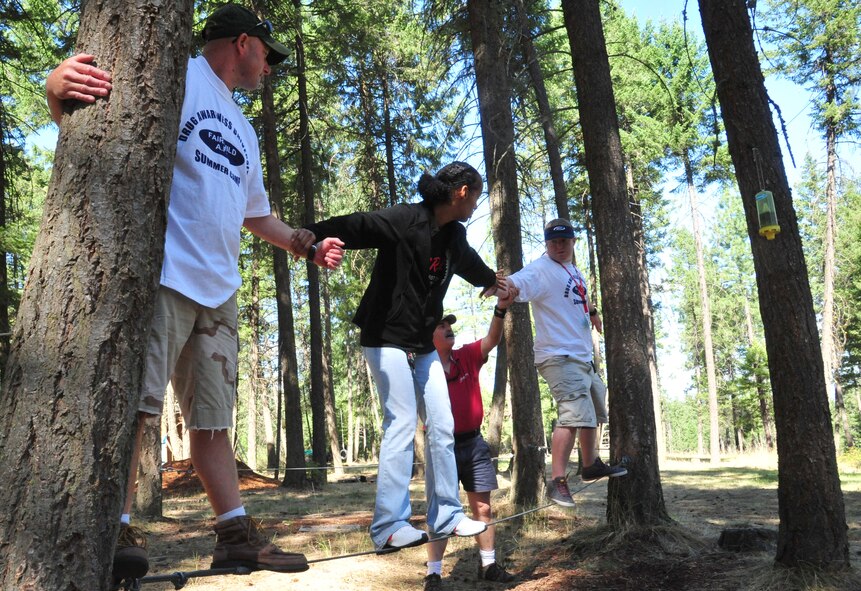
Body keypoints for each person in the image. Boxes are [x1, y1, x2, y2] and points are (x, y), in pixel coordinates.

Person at [45, 3, 344, 581]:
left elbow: (257, 215)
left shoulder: (245, 128)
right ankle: (120, 524)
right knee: (136, 408)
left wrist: (305, 246)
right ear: (242, 43)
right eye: (267, 55)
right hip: (163, 274)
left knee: (211, 422)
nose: (270, 68)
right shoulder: (174, 75)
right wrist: (57, 90)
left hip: (218, 290)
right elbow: (96, 117)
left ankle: (234, 534)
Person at [304, 162, 506, 551]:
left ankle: (446, 514)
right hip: (384, 336)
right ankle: (388, 526)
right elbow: (359, 224)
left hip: (422, 342)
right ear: (461, 192)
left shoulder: (454, 235)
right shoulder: (406, 218)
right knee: (400, 419)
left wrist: (491, 282)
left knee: (443, 425)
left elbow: (469, 265)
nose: (476, 205)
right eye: (476, 196)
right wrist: (311, 233)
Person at [506, 218, 626, 508]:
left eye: (565, 241)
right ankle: (557, 481)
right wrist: (503, 286)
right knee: (572, 415)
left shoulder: (571, 268)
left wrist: (594, 311)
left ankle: (590, 465)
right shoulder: (541, 269)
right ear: (547, 244)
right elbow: (517, 283)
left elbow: (578, 294)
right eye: (554, 242)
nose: (560, 247)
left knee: (595, 410)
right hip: (559, 355)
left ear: (573, 242)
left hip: (582, 355)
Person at [422, 302, 516, 591]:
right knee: (439, 511)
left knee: (483, 508)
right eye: (441, 326)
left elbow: (492, 339)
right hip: (441, 446)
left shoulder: (467, 356)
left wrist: (500, 310)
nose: (448, 329)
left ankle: (488, 565)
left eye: (449, 325)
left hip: (474, 444)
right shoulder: (422, 367)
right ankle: (434, 573)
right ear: (429, 334)